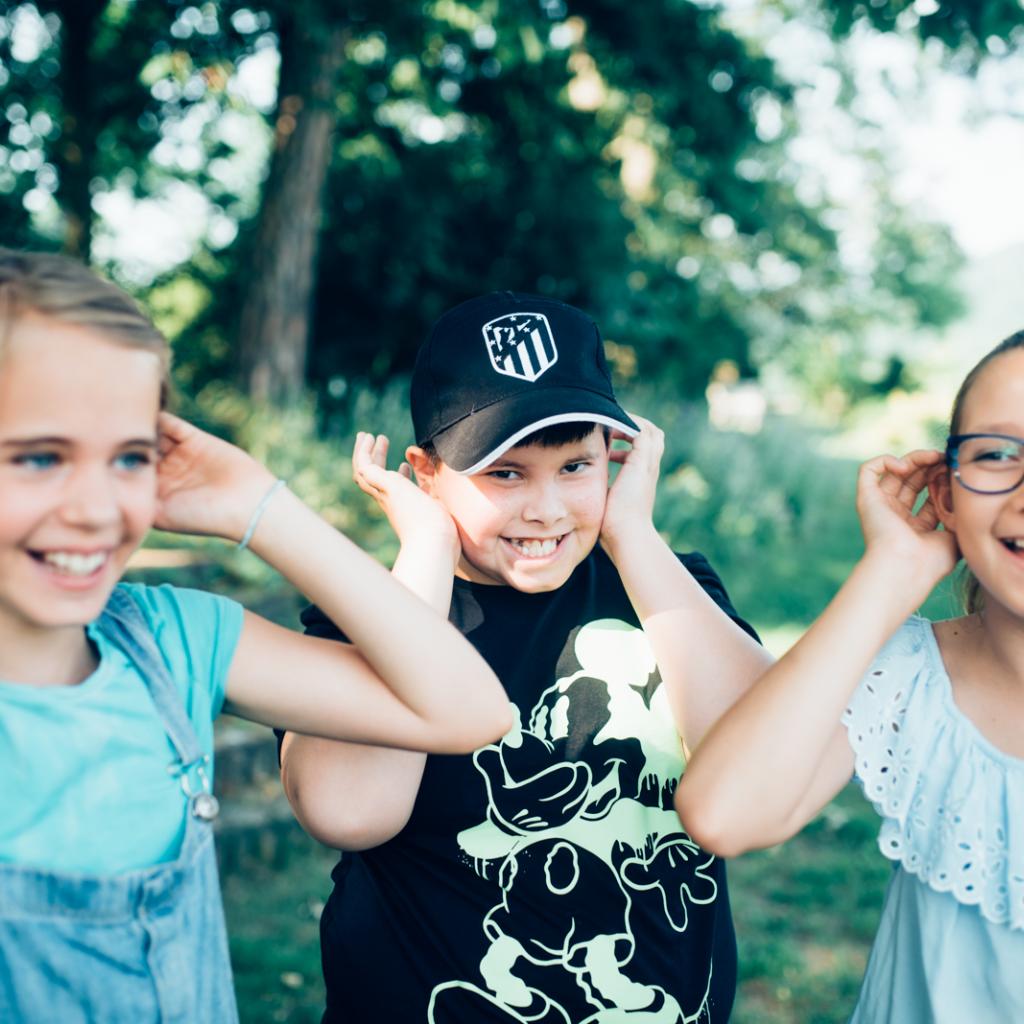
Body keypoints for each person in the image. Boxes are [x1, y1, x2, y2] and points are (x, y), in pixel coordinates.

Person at [0, 248, 511, 1024]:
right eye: (40, 457)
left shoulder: (172, 640)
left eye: (130, 457)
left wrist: (259, 507)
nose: (97, 509)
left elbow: (469, 709)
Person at [279, 292, 772, 1023]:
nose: (545, 508)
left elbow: (766, 770)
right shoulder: (368, 614)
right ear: (424, 474)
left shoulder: (673, 592)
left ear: (622, 457)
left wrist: (631, 531)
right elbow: (350, 811)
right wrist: (424, 554)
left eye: (577, 466)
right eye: (505, 474)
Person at [676, 332, 1024, 1022]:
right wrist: (890, 574)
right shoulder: (914, 679)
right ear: (946, 495)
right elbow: (724, 814)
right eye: (997, 454)